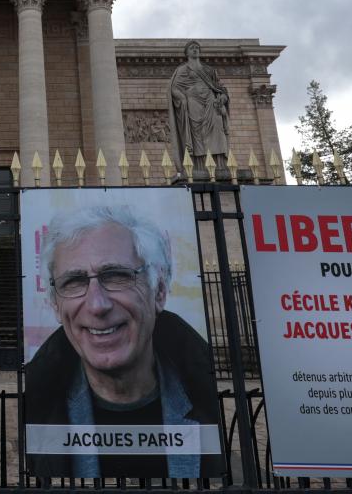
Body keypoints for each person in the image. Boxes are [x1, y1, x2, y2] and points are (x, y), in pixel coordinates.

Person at [24, 205, 221, 478]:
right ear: (56, 305)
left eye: (116, 276)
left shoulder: (212, 402)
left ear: (159, 291)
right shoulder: (35, 408)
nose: (97, 305)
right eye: (74, 281)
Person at [169, 40, 230, 175]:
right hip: (193, 102)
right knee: (197, 133)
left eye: (197, 47)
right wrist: (182, 98)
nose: (195, 49)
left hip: (211, 101)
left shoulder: (208, 70)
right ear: (186, 53)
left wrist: (223, 97)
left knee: (217, 129)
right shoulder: (182, 70)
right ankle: (199, 166)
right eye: (192, 48)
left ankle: (220, 165)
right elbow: (174, 88)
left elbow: (220, 88)